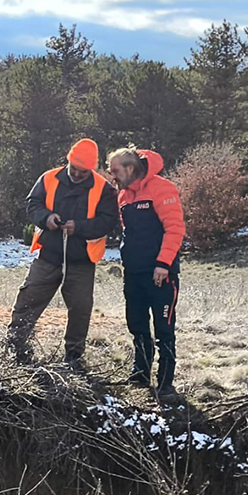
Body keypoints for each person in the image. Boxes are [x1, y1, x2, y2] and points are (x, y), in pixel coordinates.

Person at [7, 138, 118, 364]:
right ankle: (14, 349)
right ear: (68, 161)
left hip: (82, 261)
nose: (77, 175)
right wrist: (46, 218)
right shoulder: (48, 178)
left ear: (93, 168)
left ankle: (73, 357)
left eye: (83, 172)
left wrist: (79, 227)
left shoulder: (105, 190)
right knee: (27, 301)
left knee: (80, 310)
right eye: (74, 169)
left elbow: (109, 221)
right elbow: (32, 204)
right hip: (48, 256)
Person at [108, 147, 186, 395]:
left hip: (161, 274)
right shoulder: (123, 196)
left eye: (116, 171)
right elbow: (129, 233)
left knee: (164, 330)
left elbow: (175, 229)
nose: (113, 177)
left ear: (130, 168)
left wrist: (163, 264)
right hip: (134, 273)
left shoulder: (162, 188)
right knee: (137, 325)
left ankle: (165, 384)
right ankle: (140, 376)